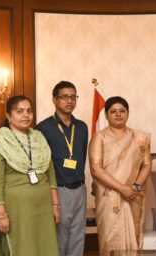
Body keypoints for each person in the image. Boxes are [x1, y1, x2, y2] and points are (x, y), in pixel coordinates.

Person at [0, 95, 60, 255]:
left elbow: (50, 174)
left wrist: (55, 206)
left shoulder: (39, 138)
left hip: (43, 207)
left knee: (44, 247)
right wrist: (1, 215)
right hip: (16, 209)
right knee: (21, 248)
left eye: (29, 111)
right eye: (19, 111)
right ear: (8, 116)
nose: (26, 115)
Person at [89, 96, 152, 255]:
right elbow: (96, 169)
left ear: (128, 113)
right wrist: (122, 188)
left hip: (133, 195)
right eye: (113, 111)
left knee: (133, 240)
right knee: (110, 239)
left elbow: (147, 164)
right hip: (109, 197)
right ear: (106, 115)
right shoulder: (99, 137)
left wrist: (136, 186)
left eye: (122, 111)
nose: (118, 114)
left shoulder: (140, 138)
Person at [35, 81, 89, 256]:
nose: (70, 101)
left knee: (78, 238)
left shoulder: (81, 127)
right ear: (54, 100)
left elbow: (81, 155)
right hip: (57, 190)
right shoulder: (43, 128)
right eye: (64, 97)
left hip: (80, 189)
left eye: (73, 97)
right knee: (58, 239)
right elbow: (40, 165)